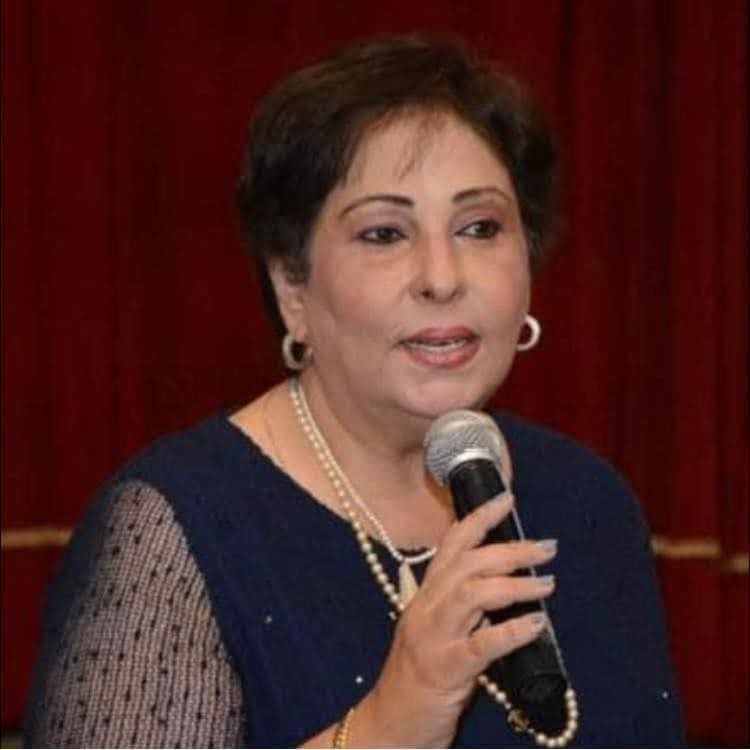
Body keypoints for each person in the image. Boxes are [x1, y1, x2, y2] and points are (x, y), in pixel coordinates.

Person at [25, 34, 684, 748]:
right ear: (293, 286)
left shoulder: (588, 504)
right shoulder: (171, 532)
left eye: (479, 227)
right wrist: (392, 721)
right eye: (384, 234)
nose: (442, 277)